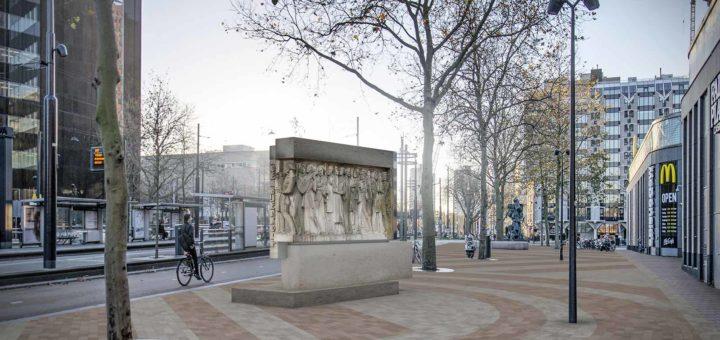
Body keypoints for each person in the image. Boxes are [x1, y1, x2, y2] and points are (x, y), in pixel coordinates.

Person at [179, 213, 200, 280]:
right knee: (195, 258)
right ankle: (196, 273)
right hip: (190, 245)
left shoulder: (182, 226)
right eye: (190, 217)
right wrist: (193, 244)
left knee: (189, 257)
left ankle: (190, 268)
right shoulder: (190, 226)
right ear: (188, 219)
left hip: (184, 246)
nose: (191, 218)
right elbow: (191, 237)